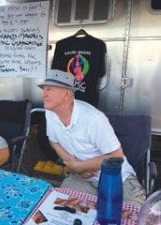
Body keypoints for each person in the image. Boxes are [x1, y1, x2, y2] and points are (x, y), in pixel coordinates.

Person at [38, 69, 146, 206]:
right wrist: (71, 164)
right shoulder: (50, 113)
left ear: (67, 94)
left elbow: (116, 157)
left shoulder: (92, 119)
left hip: (118, 179)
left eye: (49, 90)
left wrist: (79, 166)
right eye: (44, 90)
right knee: (63, 214)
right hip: (82, 179)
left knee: (129, 217)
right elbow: (53, 141)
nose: (44, 94)